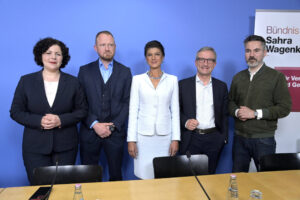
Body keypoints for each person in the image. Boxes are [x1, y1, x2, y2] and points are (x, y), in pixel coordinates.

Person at [10, 37, 88, 185]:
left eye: (58, 54)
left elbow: (82, 110)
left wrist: (61, 120)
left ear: (63, 58)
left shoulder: (73, 82)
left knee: (63, 189)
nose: (53, 57)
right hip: (35, 148)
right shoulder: (26, 81)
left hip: (66, 147)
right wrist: (38, 121)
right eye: (48, 52)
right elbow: (15, 111)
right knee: (39, 189)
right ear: (41, 56)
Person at [229, 35, 292, 172]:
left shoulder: (276, 77)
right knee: (238, 180)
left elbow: (284, 108)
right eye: (248, 51)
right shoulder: (238, 77)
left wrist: (255, 113)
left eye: (256, 50)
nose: (252, 55)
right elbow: (230, 102)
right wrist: (236, 112)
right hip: (239, 139)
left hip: (264, 140)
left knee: (266, 180)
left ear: (265, 52)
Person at [78, 31, 132, 181]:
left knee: (116, 177)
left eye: (110, 44)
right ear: (96, 48)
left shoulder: (125, 72)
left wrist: (113, 126)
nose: (107, 48)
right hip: (89, 133)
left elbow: (128, 102)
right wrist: (95, 124)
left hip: (115, 134)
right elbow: (80, 103)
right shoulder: (84, 71)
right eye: (103, 44)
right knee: (88, 178)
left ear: (115, 47)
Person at [127, 40, 180, 179]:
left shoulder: (172, 80)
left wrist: (176, 139)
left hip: (165, 138)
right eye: (150, 55)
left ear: (163, 57)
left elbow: (175, 112)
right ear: (146, 58)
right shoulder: (137, 80)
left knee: (164, 176)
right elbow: (133, 111)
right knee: (144, 176)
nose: (153, 58)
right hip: (143, 138)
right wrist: (131, 140)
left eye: (157, 54)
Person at [179, 47, 228, 174]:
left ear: (215, 64)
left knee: (210, 178)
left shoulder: (221, 87)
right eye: (201, 59)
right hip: (191, 139)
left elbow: (224, 114)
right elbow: (175, 111)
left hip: (214, 139)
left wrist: (223, 138)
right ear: (196, 62)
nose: (205, 63)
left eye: (210, 60)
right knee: (188, 180)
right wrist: (185, 122)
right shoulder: (183, 85)